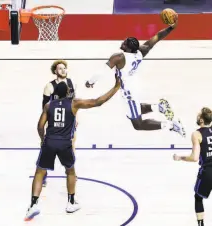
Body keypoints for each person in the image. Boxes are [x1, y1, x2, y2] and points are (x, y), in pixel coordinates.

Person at [24, 76, 121, 221]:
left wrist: (43, 139)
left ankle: (33, 205)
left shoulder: (49, 105)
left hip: (50, 142)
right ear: (68, 92)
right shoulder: (74, 103)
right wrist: (116, 87)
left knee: (39, 172)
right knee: (70, 171)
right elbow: (97, 102)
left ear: (55, 94)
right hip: (65, 143)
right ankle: (70, 202)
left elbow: (39, 126)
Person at [85, 21, 185, 137]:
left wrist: (90, 82)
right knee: (135, 109)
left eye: (125, 43)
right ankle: (159, 107)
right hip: (134, 85)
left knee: (138, 124)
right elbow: (157, 37)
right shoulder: (141, 51)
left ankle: (171, 125)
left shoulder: (119, 58)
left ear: (127, 49)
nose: (123, 43)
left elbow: (102, 71)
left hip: (128, 91)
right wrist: (171, 28)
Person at [173, 107, 212, 226]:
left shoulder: (197, 134)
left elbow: (194, 158)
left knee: (198, 197)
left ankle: (201, 224)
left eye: (198, 115)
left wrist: (180, 157)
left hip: (208, 170)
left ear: (201, 120)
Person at [42, 60, 77, 187]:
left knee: (71, 147)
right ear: (55, 71)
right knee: (46, 147)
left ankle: (71, 172)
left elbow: (73, 104)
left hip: (68, 123)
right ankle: (44, 175)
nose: (63, 70)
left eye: (64, 68)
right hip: (53, 123)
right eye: (60, 68)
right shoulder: (49, 86)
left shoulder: (72, 84)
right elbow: (44, 107)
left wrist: (75, 118)